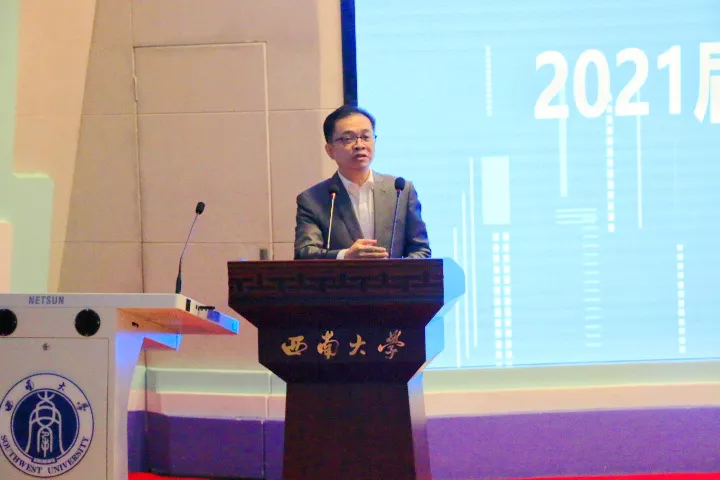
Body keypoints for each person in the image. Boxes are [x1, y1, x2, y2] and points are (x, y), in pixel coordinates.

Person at [294, 105, 431, 260]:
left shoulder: (400, 191)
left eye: (366, 137)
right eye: (348, 139)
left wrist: (396, 271)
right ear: (330, 150)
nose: (359, 145)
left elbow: (421, 250)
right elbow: (305, 254)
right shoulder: (313, 200)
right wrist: (344, 256)